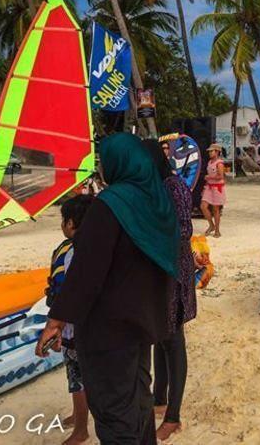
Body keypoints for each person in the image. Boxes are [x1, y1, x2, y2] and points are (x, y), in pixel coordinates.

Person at [37, 133, 177, 445]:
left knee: (114, 412)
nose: (102, 168)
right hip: (144, 323)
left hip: (108, 330)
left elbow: (87, 273)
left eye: (103, 161)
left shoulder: (110, 206)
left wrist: (56, 320)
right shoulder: (159, 203)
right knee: (139, 398)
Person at [142, 140, 196, 441]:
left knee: (173, 340)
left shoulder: (173, 185)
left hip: (173, 271)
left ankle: (173, 416)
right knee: (160, 337)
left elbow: (184, 230)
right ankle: (159, 400)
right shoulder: (155, 186)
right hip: (160, 270)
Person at [46, 194, 94, 445]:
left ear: (72, 224)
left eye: (64, 220)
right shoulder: (94, 249)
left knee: (77, 379)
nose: (62, 225)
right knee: (81, 377)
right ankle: (78, 415)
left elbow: (69, 293)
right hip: (86, 327)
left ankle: (81, 430)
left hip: (72, 328)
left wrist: (57, 324)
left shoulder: (71, 253)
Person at [201, 144, 226, 237]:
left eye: (212, 151)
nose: (210, 153)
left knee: (216, 209)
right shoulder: (210, 162)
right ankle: (211, 225)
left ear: (217, 152)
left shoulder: (219, 163)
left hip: (217, 188)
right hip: (209, 186)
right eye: (210, 151)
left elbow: (221, 176)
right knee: (203, 206)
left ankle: (217, 230)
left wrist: (209, 177)